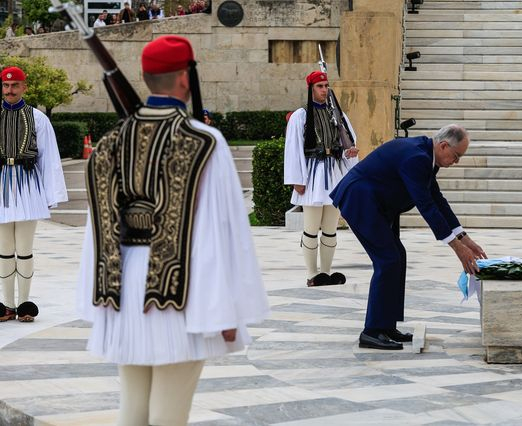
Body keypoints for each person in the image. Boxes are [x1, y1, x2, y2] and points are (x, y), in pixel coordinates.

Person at [77, 35, 269, 425]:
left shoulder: (111, 141)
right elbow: (220, 229)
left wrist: (97, 299)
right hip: (180, 291)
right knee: (170, 412)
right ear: (185, 78)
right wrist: (225, 308)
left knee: (133, 408)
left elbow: (96, 233)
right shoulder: (203, 140)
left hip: (123, 289)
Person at [330, 124, 487, 350]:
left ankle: (386, 326)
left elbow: (437, 199)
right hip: (361, 201)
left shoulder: (426, 155)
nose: (457, 161)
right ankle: (372, 331)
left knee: (397, 256)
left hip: (377, 205)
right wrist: (456, 247)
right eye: (456, 156)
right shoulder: (417, 157)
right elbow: (426, 205)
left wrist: (464, 238)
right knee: (388, 260)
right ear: (444, 146)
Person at [0, 66, 68, 322]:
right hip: (2, 185)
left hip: (28, 186)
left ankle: (24, 303)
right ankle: (7, 304)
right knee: (4, 249)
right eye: (6, 86)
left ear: (24, 87)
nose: (10, 90)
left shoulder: (38, 118)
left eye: (15, 85)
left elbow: (49, 158)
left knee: (24, 249)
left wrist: (51, 194)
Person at [284, 70, 359, 287]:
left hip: (334, 174)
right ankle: (311, 273)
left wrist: (349, 153)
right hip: (313, 175)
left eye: (326, 86)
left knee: (330, 227)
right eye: (320, 86)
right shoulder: (301, 115)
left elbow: (346, 144)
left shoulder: (337, 115)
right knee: (311, 227)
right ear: (311, 89)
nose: (324, 90)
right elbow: (293, 149)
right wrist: (297, 179)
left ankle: (325, 272)